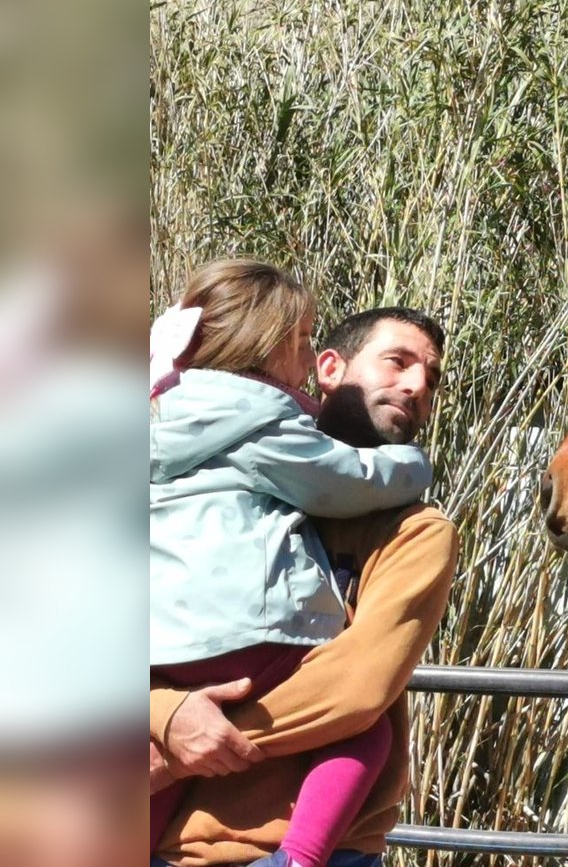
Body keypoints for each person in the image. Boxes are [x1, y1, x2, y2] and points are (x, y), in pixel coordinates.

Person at [150, 263, 436, 867]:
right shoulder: (270, 429)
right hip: (192, 851)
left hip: (174, 660)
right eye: (397, 361)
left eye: (432, 378)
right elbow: (345, 478)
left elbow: (355, 687)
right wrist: (169, 720)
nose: (416, 385)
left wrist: (176, 732)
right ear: (326, 367)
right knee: (370, 734)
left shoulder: (416, 532)